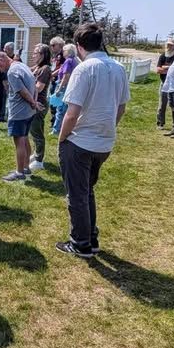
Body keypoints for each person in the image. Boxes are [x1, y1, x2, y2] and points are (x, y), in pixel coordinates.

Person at [56, 23, 130, 258]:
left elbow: (72, 113)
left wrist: (62, 138)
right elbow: (121, 107)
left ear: (79, 46)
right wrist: (108, 127)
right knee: (87, 191)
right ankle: (91, 237)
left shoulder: (84, 69)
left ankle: (80, 242)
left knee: (77, 195)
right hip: (104, 142)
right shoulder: (118, 68)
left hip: (80, 141)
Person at [0, 51, 42, 181]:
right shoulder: (22, 66)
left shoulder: (12, 72)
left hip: (19, 113)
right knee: (24, 139)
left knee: (19, 142)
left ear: (1, 60)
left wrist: (33, 103)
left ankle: (19, 173)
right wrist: (34, 102)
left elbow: (22, 92)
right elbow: (35, 86)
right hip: (28, 112)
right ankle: (26, 167)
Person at [28, 43, 52, 171]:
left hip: (39, 104)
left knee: (37, 133)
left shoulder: (45, 69)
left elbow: (38, 88)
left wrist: (25, 85)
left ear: (42, 55)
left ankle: (39, 161)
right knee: (34, 131)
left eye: (35, 53)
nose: (33, 55)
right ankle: (37, 153)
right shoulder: (38, 67)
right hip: (35, 103)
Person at [50, 44, 79, 135]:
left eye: (64, 50)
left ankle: (56, 130)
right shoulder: (74, 60)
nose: (63, 52)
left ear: (68, 52)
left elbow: (66, 76)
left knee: (60, 109)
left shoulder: (68, 61)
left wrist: (59, 89)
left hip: (64, 86)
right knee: (66, 109)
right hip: (71, 86)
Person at [155, 39, 174, 129]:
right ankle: (160, 123)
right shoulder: (163, 56)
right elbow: (158, 70)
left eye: (171, 45)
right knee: (162, 104)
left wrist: (165, 68)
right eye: (167, 45)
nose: (168, 47)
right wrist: (170, 69)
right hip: (164, 83)